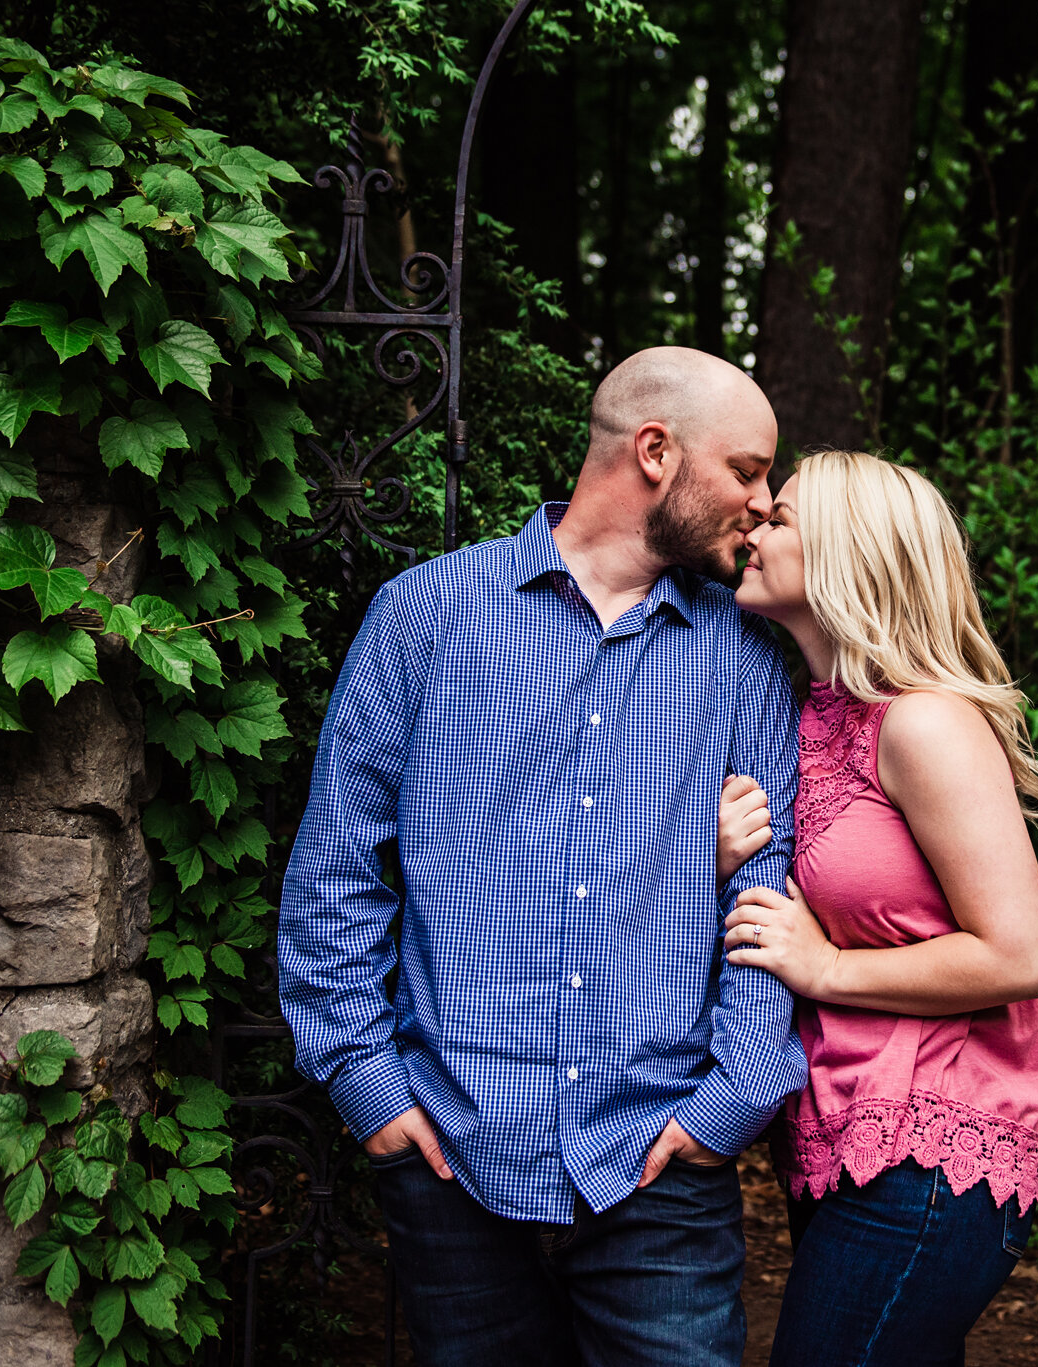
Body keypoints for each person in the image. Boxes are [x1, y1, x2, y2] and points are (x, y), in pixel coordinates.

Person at [276, 346, 808, 1367]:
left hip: (662, 1165)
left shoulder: (743, 657)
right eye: (744, 468)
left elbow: (764, 898)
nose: (762, 499)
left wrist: (728, 1101)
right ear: (655, 452)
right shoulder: (425, 615)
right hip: (453, 1157)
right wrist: (366, 1083)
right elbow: (338, 866)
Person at [717, 448, 1038, 1367]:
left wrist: (826, 967)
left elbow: (1020, 954)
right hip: (845, 1132)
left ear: (846, 552)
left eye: (782, 517)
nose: (755, 525)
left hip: (935, 1145)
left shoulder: (924, 722)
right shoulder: (817, 711)